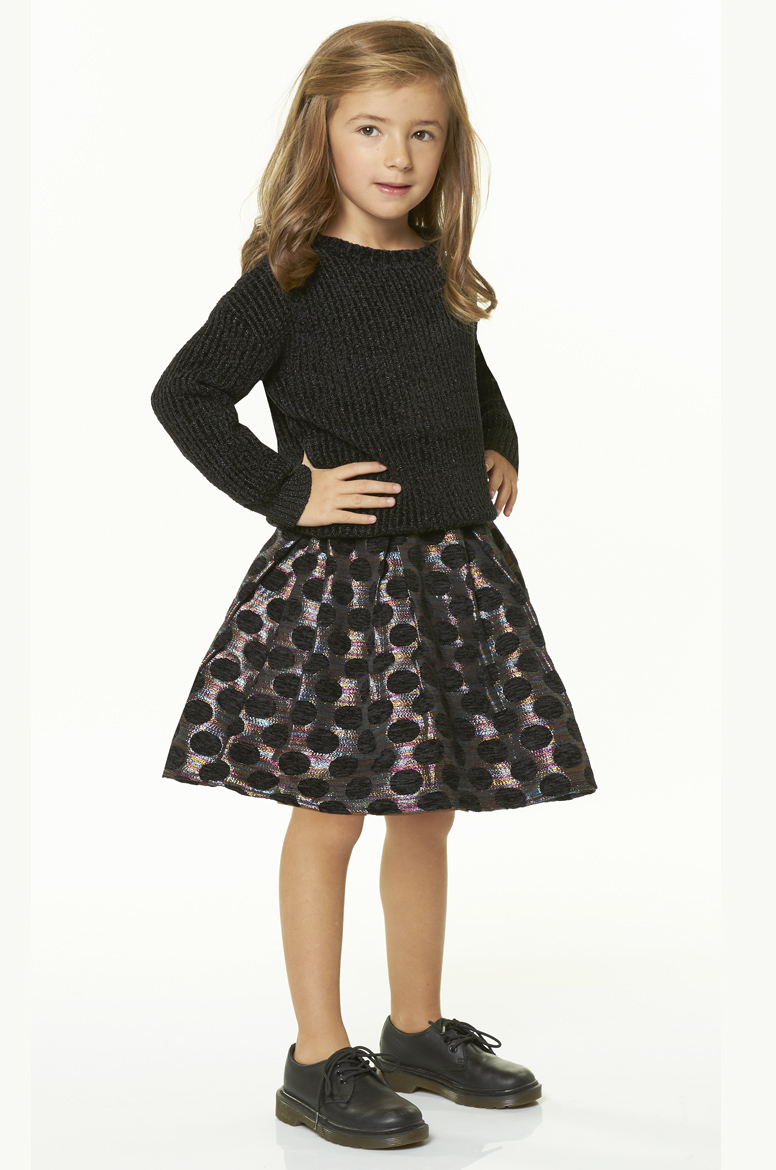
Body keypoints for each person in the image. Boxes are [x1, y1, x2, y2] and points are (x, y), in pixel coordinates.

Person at [150, 18, 597, 1151]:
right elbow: (185, 396)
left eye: (423, 133)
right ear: (321, 133)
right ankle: (315, 1056)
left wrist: (497, 443)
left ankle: (415, 1030)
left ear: (450, 145)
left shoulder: (437, 269)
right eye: (369, 129)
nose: (398, 155)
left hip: (451, 573)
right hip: (340, 596)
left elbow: (464, 373)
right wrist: (284, 490)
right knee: (332, 816)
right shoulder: (289, 276)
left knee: (428, 808)